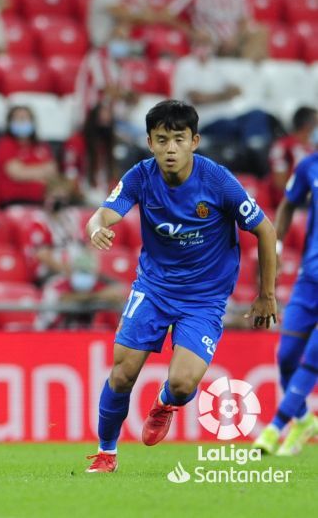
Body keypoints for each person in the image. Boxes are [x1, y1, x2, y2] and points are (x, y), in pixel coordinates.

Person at [83, 100, 277, 473]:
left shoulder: (218, 181)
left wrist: (266, 294)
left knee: (185, 384)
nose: (170, 148)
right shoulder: (141, 176)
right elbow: (103, 213)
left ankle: (165, 403)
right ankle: (106, 453)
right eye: (162, 140)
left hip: (204, 298)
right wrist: (97, 229)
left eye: (178, 139)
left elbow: (264, 230)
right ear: (150, 142)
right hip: (154, 289)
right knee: (122, 373)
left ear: (195, 141)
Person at [251, 151, 318, 456]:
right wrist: (276, 244)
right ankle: (304, 421)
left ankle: (274, 427)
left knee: (312, 358)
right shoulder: (309, 166)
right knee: (287, 356)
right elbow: (289, 203)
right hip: (309, 281)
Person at [35, 247, 126, 331]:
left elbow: (118, 292)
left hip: (82, 335)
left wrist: (112, 297)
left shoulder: (96, 285)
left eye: (87, 272)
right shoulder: (56, 285)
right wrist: (99, 296)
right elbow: (65, 299)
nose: (84, 276)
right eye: (80, 271)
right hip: (51, 333)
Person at [0, 105, 58, 206]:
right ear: (10, 123)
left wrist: (27, 171)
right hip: (12, 202)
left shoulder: (42, 146)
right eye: (19, 119)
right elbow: (17, 173)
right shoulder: (5, 144)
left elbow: (52, 170)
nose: (22, 122)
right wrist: (41, 173)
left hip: (40, 202)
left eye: (25, 118)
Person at [266, 106, 316, 208]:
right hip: (293, 204)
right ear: (308, 125)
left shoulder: (313, 149)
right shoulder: (283, 146)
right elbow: (279, 183)